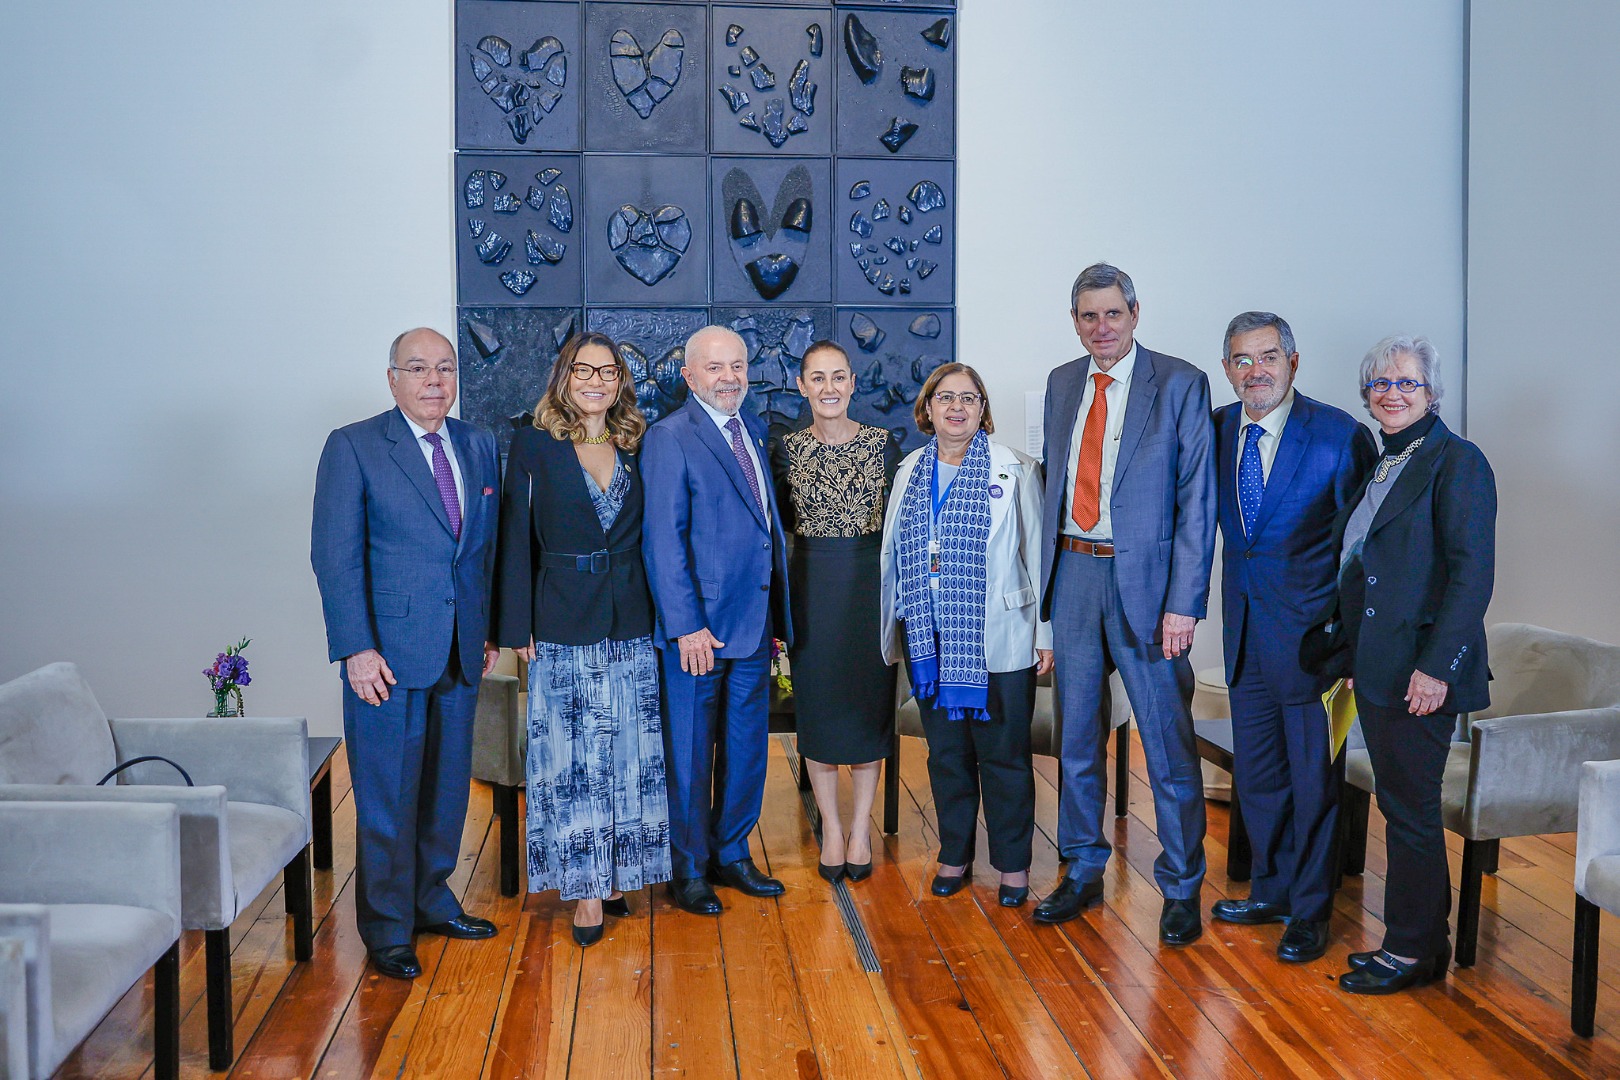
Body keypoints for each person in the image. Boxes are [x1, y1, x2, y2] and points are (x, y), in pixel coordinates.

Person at [1303, 335, 1496, 994]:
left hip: (1422, 673)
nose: (1392, 392)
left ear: (1431, 392)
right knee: (1399, 806)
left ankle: (1413, 951)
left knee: (1411, 813)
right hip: (1378, 665)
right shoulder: (1383, 462)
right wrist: (1351, 653)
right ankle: (1417, 942)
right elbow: (1366, 569)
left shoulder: (1458, 461)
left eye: (1407, 382)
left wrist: (1437, 668)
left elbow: (1472, 576)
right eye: (1381, 382)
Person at [1034, 262, 1216, 946]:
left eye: (1113, 313)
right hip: (1074, 574)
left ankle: (1181, 886)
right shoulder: (1061, 383)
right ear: (1074, 322)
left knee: (1166, 744)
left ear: (1135, 314)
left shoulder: (1180, 383)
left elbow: (1197, 499)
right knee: (1077, 736)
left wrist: (1184, 603)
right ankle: (1083, 867)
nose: (1101, 327)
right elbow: (1054, 485)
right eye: (1089, 316)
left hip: (1149, 586)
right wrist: (1044, 601)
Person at [311, 328, 501, 980]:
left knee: (446, 790)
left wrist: (486, 630)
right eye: (418, 368)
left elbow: (482, 549)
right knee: (388, 796)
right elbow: (334, 557)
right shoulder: (354, 446)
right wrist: (356, 649)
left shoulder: (477, 444)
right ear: (392, 378)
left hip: (460, 649)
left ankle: (431, 900)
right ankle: (388, 928)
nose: (434, 381)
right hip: (386, 657)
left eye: (445, 368)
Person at [492, 332, 671, 947]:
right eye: (583, 370)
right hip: (561, 619)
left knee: (626, 756)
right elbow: (514, 536)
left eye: (608, 371)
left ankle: (617, 874)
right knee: (574, 762)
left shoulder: (638, 442)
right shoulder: (534, 442)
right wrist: (516, 625)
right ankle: (586, 889)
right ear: (563, 376)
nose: (596, 381)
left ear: (621, 380)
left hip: (631, 622)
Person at [1209, 312, 1377, 963]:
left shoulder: (1339, 435)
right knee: (1259, 778)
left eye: (1268, 356)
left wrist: (1352, 646)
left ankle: (1310, 911)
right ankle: (1272, 891)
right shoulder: (1217, 429)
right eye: (1242, 360)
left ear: (1293, 362)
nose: (1256, 371)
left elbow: (1363, 551)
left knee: (1313, 783)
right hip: (1245, 638)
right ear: (1229, 369)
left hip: (1314, 645)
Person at [879, 363, 1052, 907]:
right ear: (928, 408)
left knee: (1004, 758)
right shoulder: (909, 470)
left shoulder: (1015, 469)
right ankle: (954, 854)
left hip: (1000, 638)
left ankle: (1013, 865)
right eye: (945, 397)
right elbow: (893, 555)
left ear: (983, 409)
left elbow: (1038, 554)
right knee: (947, 757)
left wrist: (1045, 634)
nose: (957, 407)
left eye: (969, 398)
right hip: (929, 639)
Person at [641, 325, 792, 915]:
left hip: (752, 623)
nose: (729, 377)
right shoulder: (668, 437)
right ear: (689, 375)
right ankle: (688, 868)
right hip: (697, 631)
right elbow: (663, 540)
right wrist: (685, 626)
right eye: (715, 367)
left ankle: (732, 853)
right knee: (690, 753)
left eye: (737, 366)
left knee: (746, 748)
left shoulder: (751, 427)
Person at [771, 340, 902, 883]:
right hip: (812, 588)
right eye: (818, 378)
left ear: (852, 383)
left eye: (838, 376)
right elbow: (780, 524)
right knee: (820, 708)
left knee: (869, 706)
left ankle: (861, 826)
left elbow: (898, 524)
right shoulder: (784, 449)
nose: (829, 387)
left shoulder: (883, 444)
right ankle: (830, 825)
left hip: (870, 586)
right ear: (802, 386)